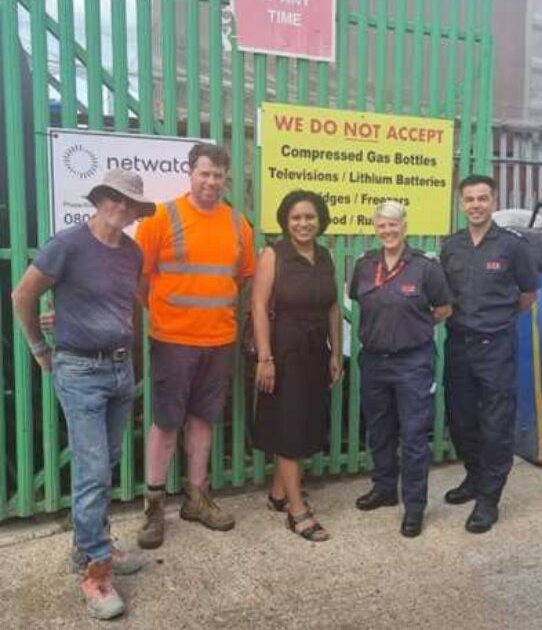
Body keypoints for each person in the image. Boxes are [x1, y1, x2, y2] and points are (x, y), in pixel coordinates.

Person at [11, 169, 155, 620]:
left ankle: (88, 543)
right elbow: (22, 295)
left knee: (105, 462)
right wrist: (39, 348)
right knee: (93, 469)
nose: (123, 208)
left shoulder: (131, 252)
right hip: (78, 369)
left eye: (131, 203)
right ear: (99, 199)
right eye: (115, 198)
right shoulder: (67, 243)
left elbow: (124, 302)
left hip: (119, 368)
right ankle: (95, 574)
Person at [135, 143, 256, 549]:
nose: (211, 182)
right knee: (166, 423)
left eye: (218, 176)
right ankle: (153, 507)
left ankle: (196, 498)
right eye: (204, 173)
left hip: (219, 340)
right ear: (190, 172)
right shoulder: (160, 218)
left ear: (226, 178)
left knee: (204, 420)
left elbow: (240, 278)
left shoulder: (238, 224)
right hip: (172, 341)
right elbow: (139, 278)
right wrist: (166, 315)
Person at [440, 174, 540, 534]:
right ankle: (473, 477)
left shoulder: (513, 246)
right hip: (458, 345)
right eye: (469, 199)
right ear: (461, 204)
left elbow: (528, 295)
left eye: (483, 198)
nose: (476, 205)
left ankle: (488, 500)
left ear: (493, 201)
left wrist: (497, 319)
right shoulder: (451, 246)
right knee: (460, 418)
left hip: (495, 346)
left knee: (496, 424)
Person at [349, 201, 452, 538]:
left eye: (394, 225)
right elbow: (358, 302)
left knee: (413, 437)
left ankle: (415, 507)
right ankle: (384, 489)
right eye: (382, 226)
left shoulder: (425, 267)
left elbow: (444, 308)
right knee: (379, 430)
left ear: (404, 227)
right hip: (375, 361)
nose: (388, 231)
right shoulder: (365, 265)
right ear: (375, 229)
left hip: (412, 363)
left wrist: (416, 327)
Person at [251, 190, 342, 542]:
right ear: (286, 222)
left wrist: (335, 352)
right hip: (284, 352)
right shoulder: (274, 255)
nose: (303, 223)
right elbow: (258, 307)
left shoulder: (324, 256)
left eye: (309, 217)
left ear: (320, 221)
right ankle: (296, 510)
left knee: (303, 423)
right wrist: (265, 357)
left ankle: (278, 494)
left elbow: (333, 307)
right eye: (296, 218)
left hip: (316, 352)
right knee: (289, 428)